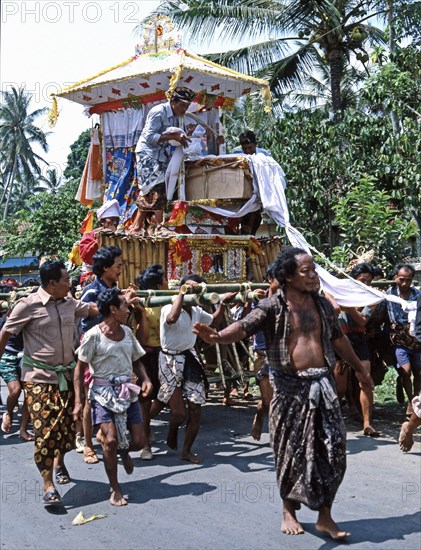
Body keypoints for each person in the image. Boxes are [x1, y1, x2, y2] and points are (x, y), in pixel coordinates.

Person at [194, 247, 373, 540]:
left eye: (314, 270)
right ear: (288, 276)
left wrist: (360, 369)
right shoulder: (271, 307)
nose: (314, 276)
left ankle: (325, 516)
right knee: (290, 453)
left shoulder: (324, 306)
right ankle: (288, 511)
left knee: (334, 451)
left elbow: (338, 340)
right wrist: (217, 337)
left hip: (322, 386)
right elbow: (244, 327)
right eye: (307, 271)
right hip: (289, 389)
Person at [0, 260, 99, 506]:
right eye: (66, 280)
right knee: (44, 432)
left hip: (66, 378)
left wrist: (123, 299)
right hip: (37, 379)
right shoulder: (27, 306)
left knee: (64, 430)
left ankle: (59, 462)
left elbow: (93, 309)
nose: (70, 284)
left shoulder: (70, 304)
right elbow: (5, 333)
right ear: (53, 283)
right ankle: (48, 485)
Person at [73, 287, 153, 506]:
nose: (128, 310)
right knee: (110, 440)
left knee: (138, 441)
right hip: (101, 393)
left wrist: (145, 378)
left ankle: (123, 451)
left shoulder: (127, 333)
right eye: (125, 306)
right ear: (113, 309)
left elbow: (136, 359)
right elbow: (79, 369)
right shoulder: (93, 336)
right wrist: (79, 402)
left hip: (127, 391)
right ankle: (115, 487)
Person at [158, 274, 233, 463]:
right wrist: (182, 293)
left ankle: (186, 451)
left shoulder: (197, 310)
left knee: (195, 408)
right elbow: (172, 318)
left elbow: (213, 322)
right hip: (169, 359)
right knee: (178, 412)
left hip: (190, 358)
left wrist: (222, 304)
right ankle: (173, 429)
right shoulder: (169, 305)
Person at [78, 246, 123, 465]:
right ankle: (88, 444)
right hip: (93, 350)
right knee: (90, 397)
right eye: (118, 265)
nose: (120, 268)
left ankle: (109, 435)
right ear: (105, 268)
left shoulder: (117, 289)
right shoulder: (91, 290)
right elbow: (83, 323)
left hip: (115, 349)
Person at [130, 86, 196, 236]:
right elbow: (150, 137)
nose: (185, 109)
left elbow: (174, 136)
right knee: (158, 186)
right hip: (147, 153)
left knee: (149, 189)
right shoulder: (158, 112)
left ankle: (136, 227)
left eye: (187, 106)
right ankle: (160, 226)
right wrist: (173, 137)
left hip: (160, 155)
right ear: (173, 101)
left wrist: (186, 134)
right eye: (182, 105)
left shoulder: (176, 116)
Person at [338, 263, 379, 436]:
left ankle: (367, 423)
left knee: (365, 381)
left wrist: (348, 307)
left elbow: (362, 321)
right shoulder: (339, 291)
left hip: (359, 338)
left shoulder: (372, 297)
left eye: (368, 281)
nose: (365, 284)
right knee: (338, 387)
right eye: (362, 280)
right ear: (353, 279)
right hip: (339, 339)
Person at [134, 264, 169, 460]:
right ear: (158, 284)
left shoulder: (170, 302)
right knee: (145, 400)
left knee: (166, 396)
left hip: (166, 354)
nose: (168, 282)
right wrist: (143, 315)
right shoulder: (143, 305)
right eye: (165, 280)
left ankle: (143, 425)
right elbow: (143, 339)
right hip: (147, 355)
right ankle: (145, 444)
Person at [385, 263, 421, 416]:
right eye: (401, 280)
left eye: (408, 280)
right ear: (395, 278)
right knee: (406, 372)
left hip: (417, 340)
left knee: (418, 373)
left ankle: (415, 404)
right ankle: (410, 399)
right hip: (399, 340)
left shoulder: (418, 295)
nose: (405, 283)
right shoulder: (388, 294)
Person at [0, 316, 33, 441]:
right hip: (7, 355)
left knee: (30, 392)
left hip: (27, 355)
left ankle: (23, 429)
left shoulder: (33, 319)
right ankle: (9, 412)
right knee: (15, 390)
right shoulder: (5, 321)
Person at [79, 199, 121, 284]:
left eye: (117, 219)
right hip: (91, 277)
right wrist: (99, 240)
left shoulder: (120, 237)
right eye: (112, 219)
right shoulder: (89, 236)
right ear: (102, 221)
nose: (115, 222)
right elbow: (86, 257)